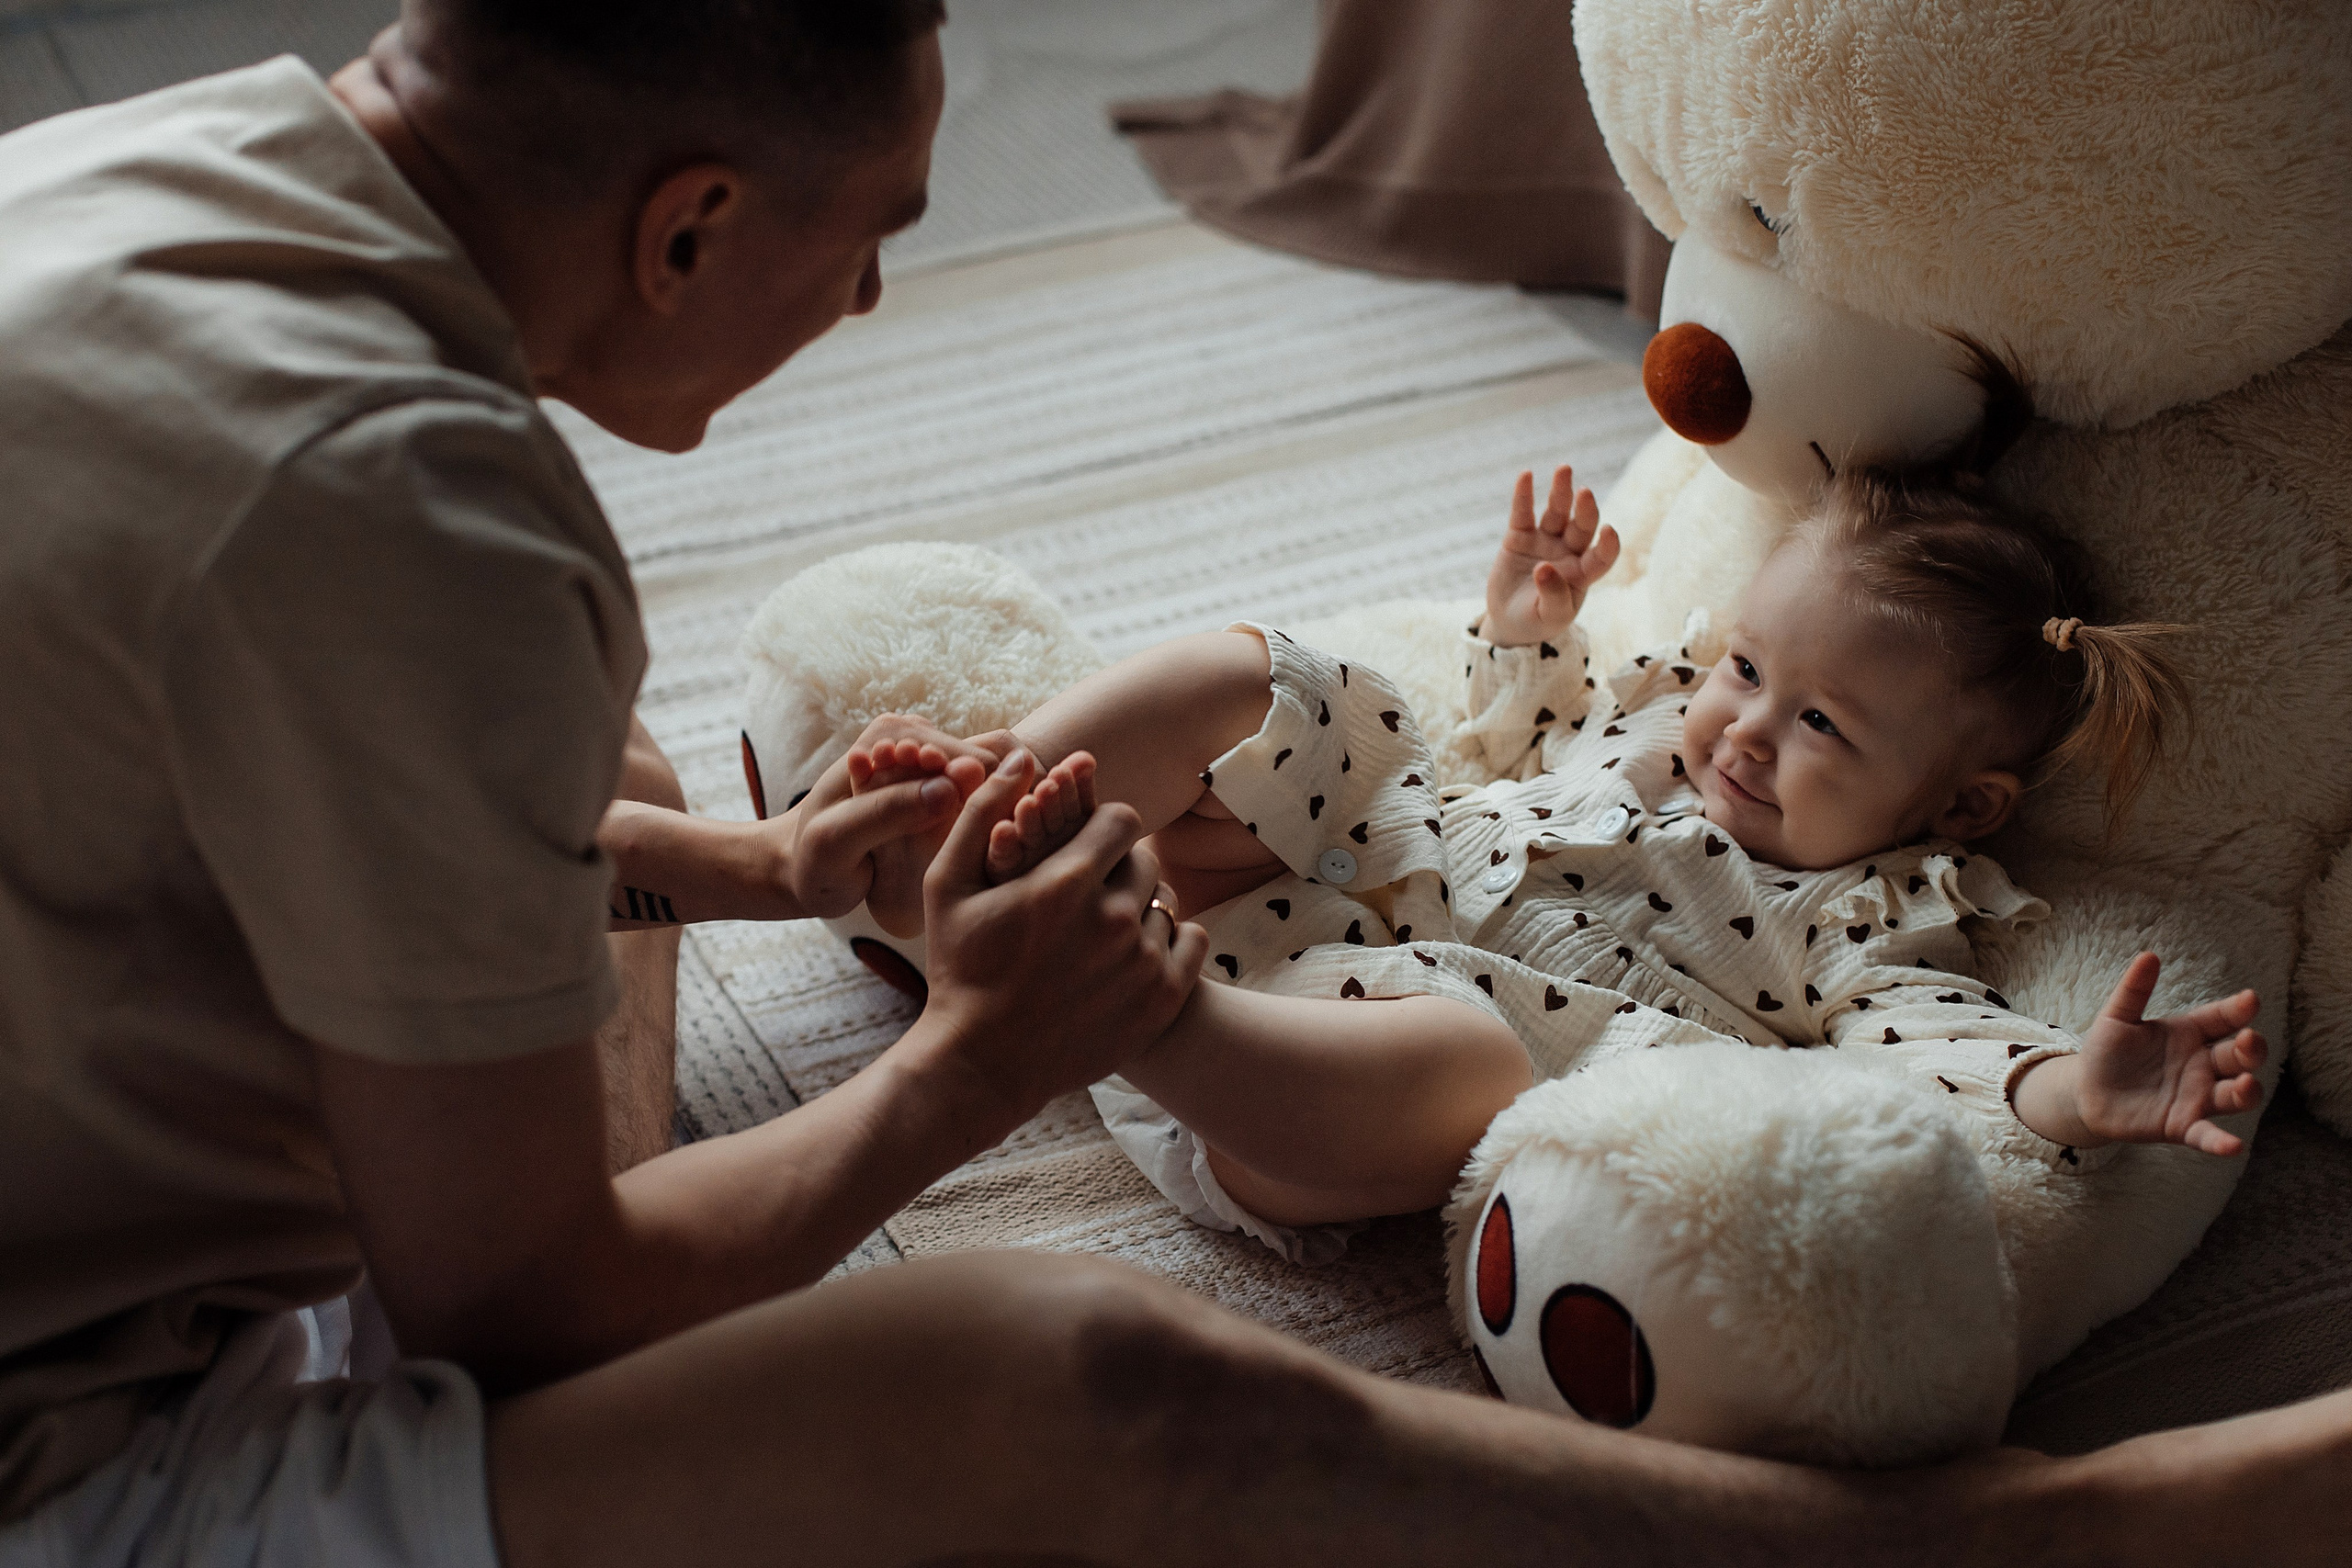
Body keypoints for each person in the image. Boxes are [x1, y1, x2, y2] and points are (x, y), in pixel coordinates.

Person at [1, 3, 2346, 1566]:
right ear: (689, 221)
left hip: (1494, 1003)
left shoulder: (142, 171)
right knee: (1084, 1367)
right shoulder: (420, 519)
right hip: (83, 1461)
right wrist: (973, 1065)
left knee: (588, 779)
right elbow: (524, 1306)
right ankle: (2051, 1534)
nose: (867, 310)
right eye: (868, 241)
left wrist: (747, 864)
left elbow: (1948, 1047)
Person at [829, 465, 2265, 1269]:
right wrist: (1530, 631)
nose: (1747, 734)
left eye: (1820, 724)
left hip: (1296, 1066)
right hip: (1289, 882)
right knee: (1297, 684)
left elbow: (1937, 1050)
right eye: (1748, 670)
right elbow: (1516, 746)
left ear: (1959, 809)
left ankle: (1111, 997)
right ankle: (971, 832)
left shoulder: (1871, 918)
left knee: (1473, 1072)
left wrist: (2076, 1088)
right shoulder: (1662, 723)